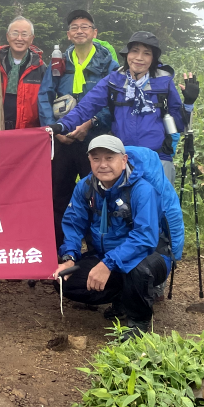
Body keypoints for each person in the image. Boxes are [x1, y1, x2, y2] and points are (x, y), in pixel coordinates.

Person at [52, 135, 171, 340]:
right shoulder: (86, 187)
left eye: (110, 158)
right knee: (64, 281)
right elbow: (73, 223)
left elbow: (145, 237)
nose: (103, 164)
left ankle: (139, 322)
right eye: (96, 158)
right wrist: (69, 257)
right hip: (106, 256)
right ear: (89, 161)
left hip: (150, 256)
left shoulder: (142, 190)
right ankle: (123, 299)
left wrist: (107, 265)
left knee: (137, 270)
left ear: (123, 160)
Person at [47, 31, 198, 182]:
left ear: (153, 59)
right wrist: (61, 126)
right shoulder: (114, 81)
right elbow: (86, 107)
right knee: (121, 205)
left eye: (146, 53)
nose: (139, 58)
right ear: (127, 54)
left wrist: (189, 102)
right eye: (135, 51)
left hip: (157, 159)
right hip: (121, 160)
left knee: (158, 205)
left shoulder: (164, 83)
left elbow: (179, 124)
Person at [37, 10, 119, 247]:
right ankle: (60, 252)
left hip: (95, 141)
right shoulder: (58, 63)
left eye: (85, 26)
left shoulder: (109, 65)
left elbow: (113, 102)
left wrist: (89, 124)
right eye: (74, 27)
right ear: (68, 34)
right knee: (58, 195)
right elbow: (45, 96)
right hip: (61, 142)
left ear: (95, 32)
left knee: (96, 194)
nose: (80, 30)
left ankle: (97, 251)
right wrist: (53, 130)